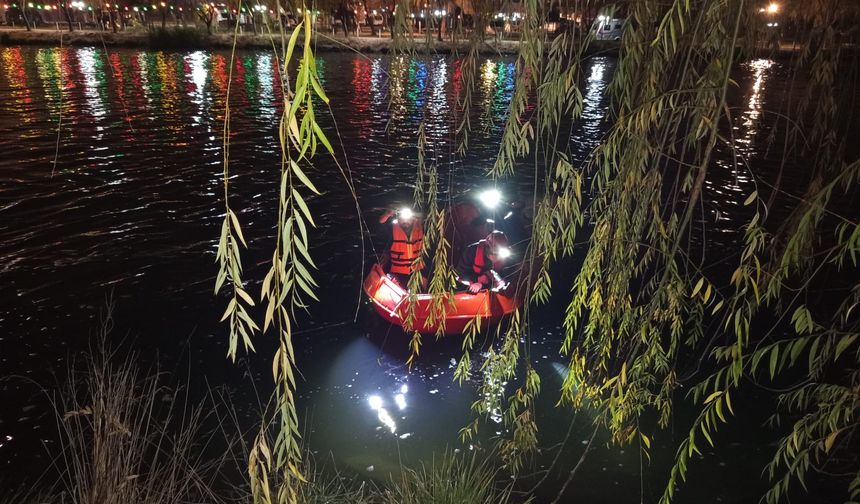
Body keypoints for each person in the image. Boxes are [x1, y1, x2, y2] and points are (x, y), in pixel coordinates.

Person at [379, 207, 425, 288]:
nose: (405, 222)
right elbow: (381, 222)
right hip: (398, 271)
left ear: (413, 219)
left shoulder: (420, 226)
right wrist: (387, 214)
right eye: (403, 219)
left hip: (417, 269)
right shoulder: (392, 228)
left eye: (408, 219)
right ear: (399, 219)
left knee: (421, 287)